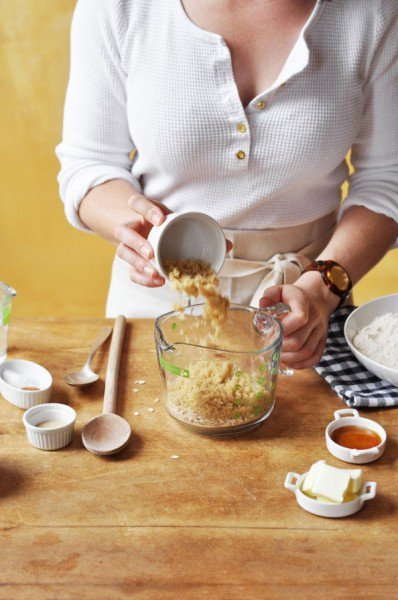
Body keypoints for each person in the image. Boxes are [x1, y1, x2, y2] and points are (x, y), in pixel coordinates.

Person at [56, 0, 398, 369]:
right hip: (157, 300)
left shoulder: (373, 12)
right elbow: (90, 164)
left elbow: (386, 178)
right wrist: (145, 237)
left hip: (308, 309)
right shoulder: (116, 8)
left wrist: (322, 289)